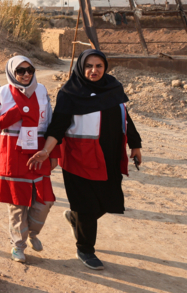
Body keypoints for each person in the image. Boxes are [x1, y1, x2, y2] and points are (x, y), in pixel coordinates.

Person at [27, 49, 142, 270]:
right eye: (89, 66)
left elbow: (125, 116)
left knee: (109, 200)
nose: (94, 70)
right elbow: (58, 126)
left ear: (105, 67)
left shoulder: (113, 87)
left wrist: (135, 144)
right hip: (79, 158)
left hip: (108, 156)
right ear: (81, 67)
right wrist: (47, 150)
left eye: (99, 66)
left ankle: (75, 217)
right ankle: (85, 249)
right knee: (87, 205)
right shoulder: (69, 93)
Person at [0, 56, 58, 263]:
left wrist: (53, 153)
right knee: (16, 203)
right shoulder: (0, 94)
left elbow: (50, 122)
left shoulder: (41, 90)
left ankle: (32, 232)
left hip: (38, 149)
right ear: (12, 73)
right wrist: (15, 112)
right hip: (12, 151)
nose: (26, 74)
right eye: (20, 71)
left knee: (45, 200)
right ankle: (18, 246)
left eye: (29, 69)